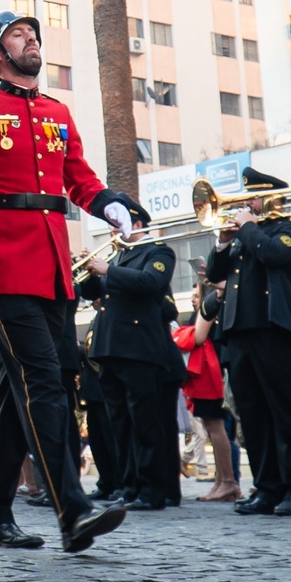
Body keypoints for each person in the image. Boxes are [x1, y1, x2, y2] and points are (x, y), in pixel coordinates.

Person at [0, 10, 130, 554]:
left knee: (20, 394)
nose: (31, 39)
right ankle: (72, 508)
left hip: (54, 266)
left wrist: (108, 203)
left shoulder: (59, 111)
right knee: (43, 383)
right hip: (7, 266)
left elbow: (78, 178)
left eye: (33, 34)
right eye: (18, 35)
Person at [207, 167, 291, 517]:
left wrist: (247, 227)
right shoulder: (243, 235)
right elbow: (215, 274)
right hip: (240, 331)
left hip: (273, 329)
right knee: (252, 416)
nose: (245, 203)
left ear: (272, 198)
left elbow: (272, 254)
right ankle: (267, 487)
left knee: (286, 411)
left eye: (251, 197)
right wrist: (223, 241)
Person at [78, 197, 180, 512]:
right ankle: (128, 485)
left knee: (144, 422)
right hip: (110, 347)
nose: (112, 230)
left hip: (139, 348)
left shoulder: (157, 251)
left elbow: (152, 283)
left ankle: (151, 490)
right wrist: (90, 273)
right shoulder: (118, 256)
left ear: (136, 224)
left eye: (117, 224)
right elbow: (91, 294)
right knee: (118, 423)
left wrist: (108, 269)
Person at [172, 282, 237, 502]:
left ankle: (227, 481)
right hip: (209, 371)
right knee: (212, 427)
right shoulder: (210, 305)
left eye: (195, 295)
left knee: (215, 427)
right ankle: (223, 480)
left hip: (211, 372)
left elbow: (198, 336)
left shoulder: (212, 305)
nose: (192, 299)